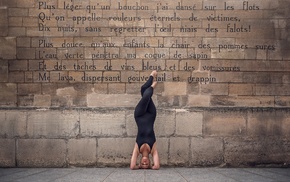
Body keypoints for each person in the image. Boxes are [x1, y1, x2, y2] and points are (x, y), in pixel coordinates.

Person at [130, 70, 160, 170]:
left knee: (145, 92)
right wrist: (152, 167)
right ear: (150, 162)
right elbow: (157, 166)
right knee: (144, 92)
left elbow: (132, 166)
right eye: (146, 164)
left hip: (139, 115)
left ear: (140, 162)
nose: (144, 163)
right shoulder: (153, 149)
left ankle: (152, 81)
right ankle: (151, 83)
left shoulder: (137, 149)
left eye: (142, 164)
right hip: (151, 115)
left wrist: (137, 167)